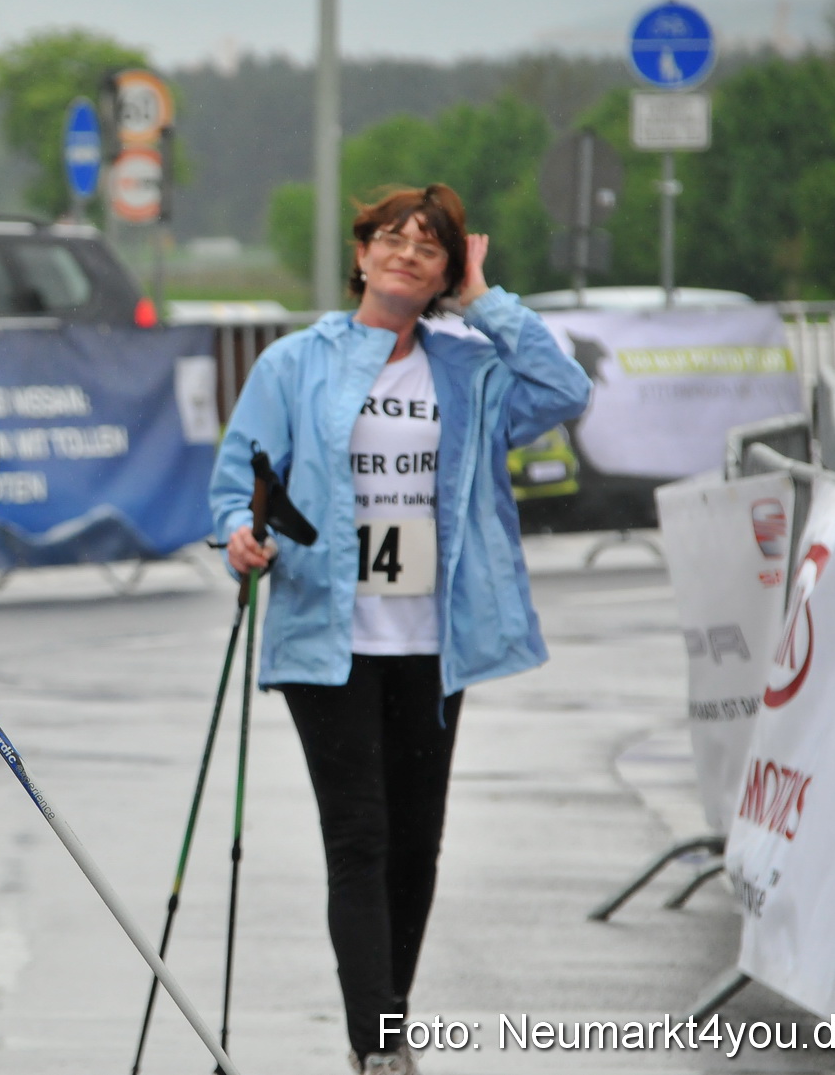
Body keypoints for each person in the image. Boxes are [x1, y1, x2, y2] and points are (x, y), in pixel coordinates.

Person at [209, 184, 590, 1075]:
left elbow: (562, 387)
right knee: (359, 836)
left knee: (417, 841)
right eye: (391, 237)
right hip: (323, 639)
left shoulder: (468, 366)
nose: (406, 253)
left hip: (433, 640)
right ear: (360, 253)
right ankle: (376, 1044)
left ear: (446, 272)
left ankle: (388, 1016)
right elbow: (238, 479)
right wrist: (237, 532)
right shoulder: (295, 362)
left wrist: (484, 300)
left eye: (429, 246)